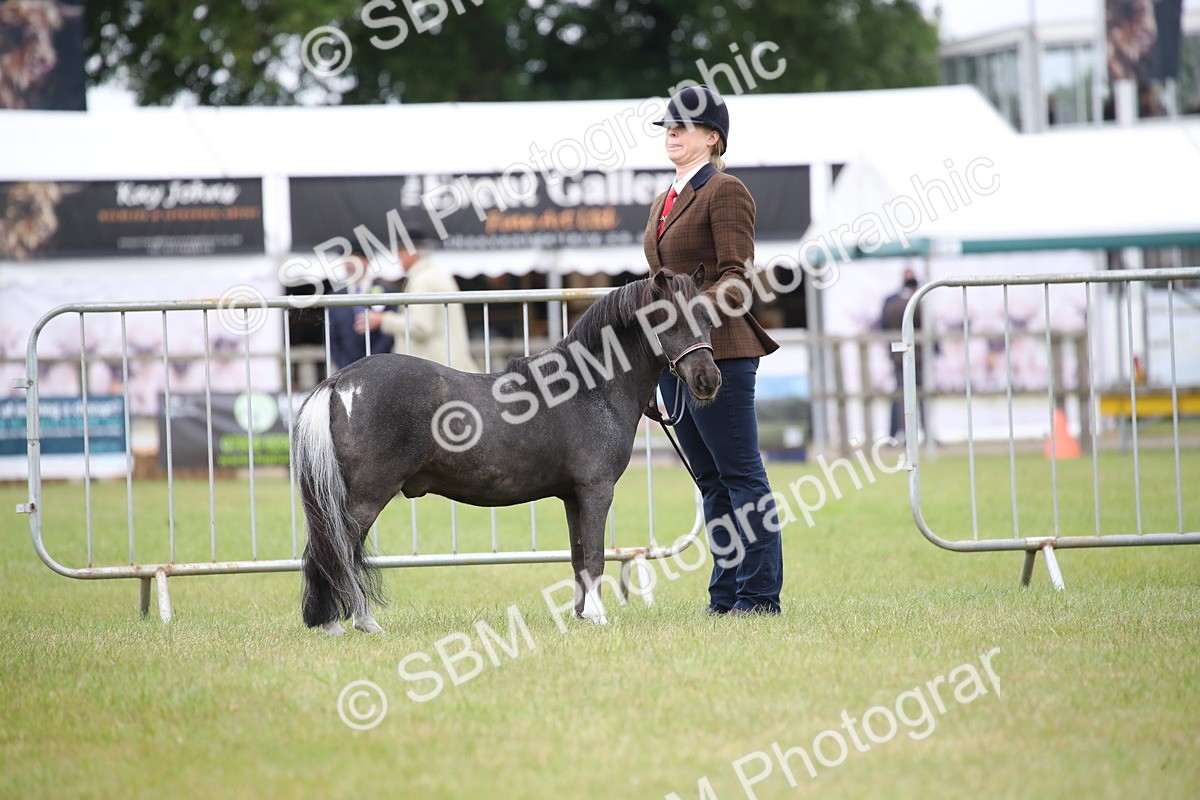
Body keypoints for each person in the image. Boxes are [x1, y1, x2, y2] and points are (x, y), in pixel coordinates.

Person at [645, 85, 783, 617]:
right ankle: (725, 596)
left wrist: (686, 308)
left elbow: (737, 279)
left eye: (683, 126)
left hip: (719, 350)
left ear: (713, 137)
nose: (672, 133)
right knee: (710, 481)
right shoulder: (663, 200)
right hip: (674, 356)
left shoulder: (726, 191)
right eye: (668, 126)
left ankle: (759, 594)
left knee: (742, 476)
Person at [357, 232, 481, 372]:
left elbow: (421, 326)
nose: (397, 256)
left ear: (412, 251)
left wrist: (383, 319)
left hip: (437, 371)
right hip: (446, 367)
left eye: (400, 250)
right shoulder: (433, 275)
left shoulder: (424, 280)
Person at [327, 249, 395, 371]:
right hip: (345, 368)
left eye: (354, 259)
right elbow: (331, 335)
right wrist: (345, 366)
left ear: (366, 261)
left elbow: (389, 333)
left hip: (381, 367)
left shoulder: (386, 291)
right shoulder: (335, 296)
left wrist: (372, 362)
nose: (349, 264)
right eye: (347, 259)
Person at [880, 267, 922, 440]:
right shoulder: (918, 301)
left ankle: (898, 435)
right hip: (916, 356)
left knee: (901, 395)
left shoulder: (891, 302)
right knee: (914, 394)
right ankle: (904, 434)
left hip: (899, 356)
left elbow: (883, 326)